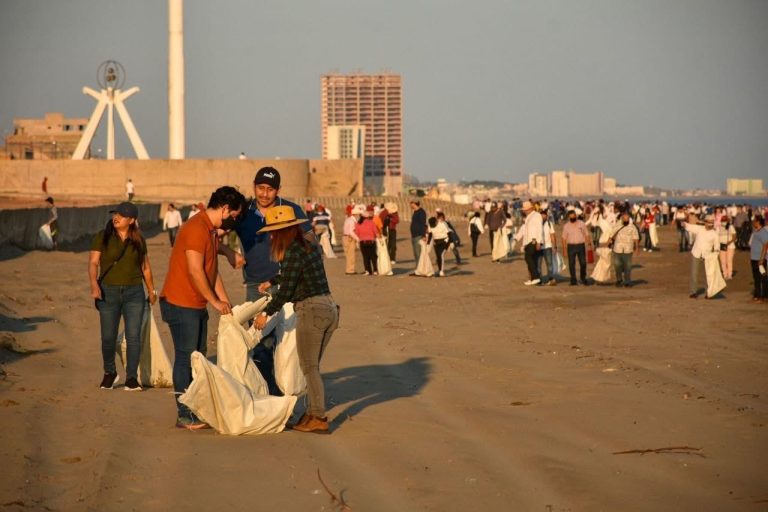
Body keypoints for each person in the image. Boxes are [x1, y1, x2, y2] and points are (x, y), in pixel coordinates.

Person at [160, 186, 245, 430]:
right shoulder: (196, 228)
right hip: (180, 302)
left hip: (195, 303)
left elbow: (211, 269)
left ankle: (194, 409)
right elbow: (195, 271)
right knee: (186, 358)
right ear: (225, 209)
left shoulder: (209, 231)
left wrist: (225, 303)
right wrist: (215, 302)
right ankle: (184, 414)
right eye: (235, 215)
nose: (234, 220)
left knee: (198, 357)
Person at [224, 167, 311, 392]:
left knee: (288, 340)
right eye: (261, 188)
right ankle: (267, 391)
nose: (265, 194)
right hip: (257, 287)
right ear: (254, 186)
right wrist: (228, 252)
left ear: (278, 190)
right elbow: (212, 233)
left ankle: (288, 389)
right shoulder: (244, 213)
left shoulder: (292, 210)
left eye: (270, 189)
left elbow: (311, 242)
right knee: (261, 340)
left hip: (289, 284)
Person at [253, 206, 339, 434]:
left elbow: (288, 291)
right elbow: (292, 275)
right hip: (330, 308)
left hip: (312, 311)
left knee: (309, 367)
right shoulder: (309, 246)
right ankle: (311, 413)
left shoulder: (292, 251)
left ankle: (318, 417)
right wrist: (272, 280)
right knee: (312, 367)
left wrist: (266, 313)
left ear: (282, 232)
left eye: (273, 232)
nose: (271, 236)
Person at [88, 202, 157, 391]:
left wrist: (151, 290)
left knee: (133, 337)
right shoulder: (103, 237)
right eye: (115, 214)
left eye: (121, 215)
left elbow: (145, 267)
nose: (116, 217)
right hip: (107, 292)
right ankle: (110, 372)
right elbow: (93, 263)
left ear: (132, 220)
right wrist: (94, 284)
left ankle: (132, 378)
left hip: (134, 292)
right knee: (108, 337)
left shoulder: (139, 240)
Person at [683, 215, 720, 299]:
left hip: (708, 256)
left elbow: (717, 247)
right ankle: (693, 292)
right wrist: (684, 223)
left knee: (709, 275)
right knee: (694, 274)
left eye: (712, 222)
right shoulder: (699, 229)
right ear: (705, 222)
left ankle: (709, 293)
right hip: (696, 253)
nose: (710, 224)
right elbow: (689, 227)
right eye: (709, 222)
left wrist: (715, 254)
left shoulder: (715, 234)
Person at [562, 209, 593, 286]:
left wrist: (589, 244)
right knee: (571, 264)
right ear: (569, 217)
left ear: (576, 215)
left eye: (573, 216)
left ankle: (583, 278)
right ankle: (573, 280)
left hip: (580, 246)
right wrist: (564, 250)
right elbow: (563, 238)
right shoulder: (566, 226)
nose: (572, 217)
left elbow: (587, 234)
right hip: (571, 246)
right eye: (570, 217)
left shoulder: (581, 224)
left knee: (583, 263)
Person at [609, 211, 640, 287]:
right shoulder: (617, 225)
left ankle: (627, 281)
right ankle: (619, 280)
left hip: (628, 250)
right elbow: (611, 235)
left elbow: (636, 238)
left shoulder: (632, 227)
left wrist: (637, 248)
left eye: (627, 218)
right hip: (617, 249)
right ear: (622, 218)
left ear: (629, 218)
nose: (626, 219)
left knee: (628, 266)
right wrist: (609, 242)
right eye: (624, 218)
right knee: (617, 265)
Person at [515, 201, 543, 286]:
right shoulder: (528, 217)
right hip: (527, 241)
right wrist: (520, 241)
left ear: (531, 208)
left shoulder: (537, 215)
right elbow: (525, 230)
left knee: (528, 257)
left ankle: (536, 277)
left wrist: (538, 241)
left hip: (533, 240)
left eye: (526, 209)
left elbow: (539, 229)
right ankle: (532, 279)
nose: (524, 211)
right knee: (531, 260)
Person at [355, 205, 380, 275]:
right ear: (368, 217)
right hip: (372, 242)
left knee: (366, 257)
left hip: (363, 242)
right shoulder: (371, 222)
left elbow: (356, 233)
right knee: (373, 257)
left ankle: (368, 270)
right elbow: (376, 232)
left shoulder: (358, 224)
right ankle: (375, 270)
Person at [748, 216, 768, 303]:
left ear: (758, 222)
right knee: (756, 278)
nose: (753, 222)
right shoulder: (755, 231)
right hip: (753, 258)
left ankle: (762, 297)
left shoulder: (763, 232)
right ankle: (757, 295)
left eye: (754, 221)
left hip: (760, 259)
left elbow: (765, 246)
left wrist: (762, 259)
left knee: (762, 278)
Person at [538, 210, 558, 285]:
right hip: (539, 247)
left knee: (549, 264)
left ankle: (551, 279)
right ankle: (540, 280)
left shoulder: (549, 224)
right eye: (541, 215)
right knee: (538, 265)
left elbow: (553, 235)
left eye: (544, 215)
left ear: (547, 216)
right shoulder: (537, 224)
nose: (543, 217)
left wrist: (555, 246)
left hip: (548, 247)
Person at [342, 204, 360, 274]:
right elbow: (351, 231)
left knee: (348, 255)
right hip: (349, 238)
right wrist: (358, 239)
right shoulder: (352, 221)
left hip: (345, 237)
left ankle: (349, 269)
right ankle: (350, 270)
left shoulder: (348, 219)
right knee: (351, 255)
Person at [718, 215, 736, 280]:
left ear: (727, 221)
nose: (724, 222)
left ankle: (729, 274)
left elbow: (734, 236)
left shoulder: (731, 227)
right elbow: (716, 237)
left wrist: (730, 242)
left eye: (725, 221)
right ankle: (725, 274)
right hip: (721, 246)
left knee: (729, 260)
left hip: (730, 246)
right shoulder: (718, 227)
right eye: (723, 221)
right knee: (723, 261)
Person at [410, 201, 427, 265]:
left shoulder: (421, 212)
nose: (410, 206)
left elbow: (423, 224)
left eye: (411, 204)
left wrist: (423, 235)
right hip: (414, 235)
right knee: (415, 254)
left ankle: (420, 269)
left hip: (419, 235)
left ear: (415, 204)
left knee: (418, 253)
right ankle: (418, 269)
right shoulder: (415, 212)